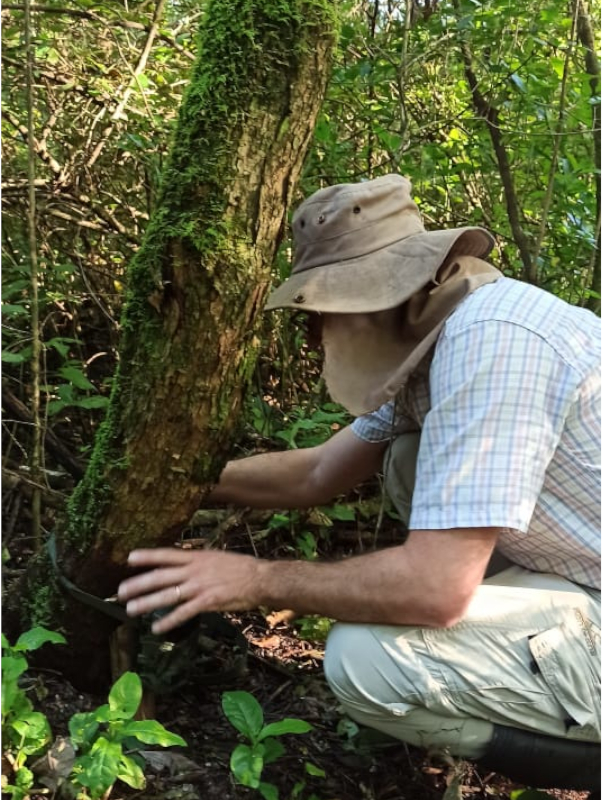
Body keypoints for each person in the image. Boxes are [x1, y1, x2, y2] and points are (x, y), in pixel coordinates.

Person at [118, 174, 601, 794]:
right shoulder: (433, 331)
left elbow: (435, 590)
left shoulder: (492, 342)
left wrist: (254, 579)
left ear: (371, 293)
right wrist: (179, 483)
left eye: (320, 311)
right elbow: (319, 470)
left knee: (367, 659)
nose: (316, 330)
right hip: (576, 572)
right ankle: (507, 665)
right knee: (408, 456)